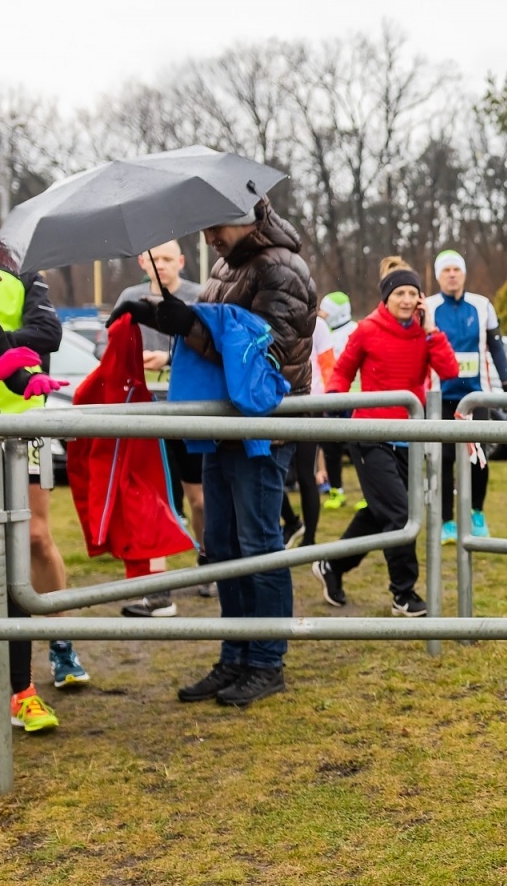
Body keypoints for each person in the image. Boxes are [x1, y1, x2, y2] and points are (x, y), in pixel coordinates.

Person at [116, 197, 317, 708]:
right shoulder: (229, 264)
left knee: (258, 543)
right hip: (223, 423)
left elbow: (263, 349)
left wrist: (188, 323)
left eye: (215, 225)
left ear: (248, 215)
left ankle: (266, 661)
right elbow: (213, 325)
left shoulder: (284, 268)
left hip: (261, 427)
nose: (209, 237)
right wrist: (162, 313)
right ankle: (235, 655)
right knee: (224, 547)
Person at [0, 189, 86, 694]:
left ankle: (53, 647)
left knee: (29, 541)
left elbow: (44, 334)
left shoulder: (14, 281)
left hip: (13, 434)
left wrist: (24, 379)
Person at [313, 261, 457, 617]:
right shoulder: (367, 329)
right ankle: (403, 594)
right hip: (371, 435)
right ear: (386, 298)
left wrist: (432, 329)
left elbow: (450, 371)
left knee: (380, 512)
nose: (406, 300)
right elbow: (343, 370)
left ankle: (332, 565)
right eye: (399, 294)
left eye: (412, 293)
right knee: (400, 512)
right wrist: (335, 403)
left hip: (411, 435)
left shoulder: (425, 333)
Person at [108, 241, 209, 618]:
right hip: (144, 408)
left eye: (169, 258)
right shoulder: (130, 297)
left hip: (190, 408)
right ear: (142, 263)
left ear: (181, 262)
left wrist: (168, 357)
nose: (162, 265)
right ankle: (158, 589)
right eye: (155, 259)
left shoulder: (199, 295)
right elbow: (113, 348)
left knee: (198, 497)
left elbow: (208, 346)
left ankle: (208, 559)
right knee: (155, 498)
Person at [425, 249, 507, 543]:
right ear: (438, 276)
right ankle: (447, 522)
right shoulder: (429, 306)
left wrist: (506, 381)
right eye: (446, 270)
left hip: (477, 395)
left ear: (464, 274)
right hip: (441, 396)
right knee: (445, 458)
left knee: (478, 457)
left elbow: (497, 345)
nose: (452, 274)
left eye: (456, 269)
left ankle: (477, 513)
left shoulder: (481, 304)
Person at [314, 292, 356, 510]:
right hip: (331, 398)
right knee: (331, 446)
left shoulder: (355, 331)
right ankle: (336, 490)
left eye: (326, 309)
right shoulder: (324, 333)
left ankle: (369, 493)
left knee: (357, 447)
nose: (322, 313)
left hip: (353, 399)